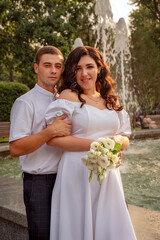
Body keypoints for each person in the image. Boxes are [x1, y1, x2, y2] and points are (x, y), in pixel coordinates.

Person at [45, 46, 137, 240]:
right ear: (72, 72)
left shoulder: (111, 99)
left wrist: (117, 142)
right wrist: (98, 145)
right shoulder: (68, 97)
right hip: (76, 172)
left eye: (89, 67)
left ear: (99, 68)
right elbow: (53, 139)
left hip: (109, 174)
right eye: (78, 68)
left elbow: (125, 137)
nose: (84, 73)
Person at [9, 46, 72, 240]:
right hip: (40, 183)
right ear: (36, 68)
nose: (53, 70)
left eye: (58, 66)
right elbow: (15, 148)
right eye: (47, 65)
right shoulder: (25, 103)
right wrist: (49, 132)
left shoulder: (65, 99)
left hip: (66, 179)